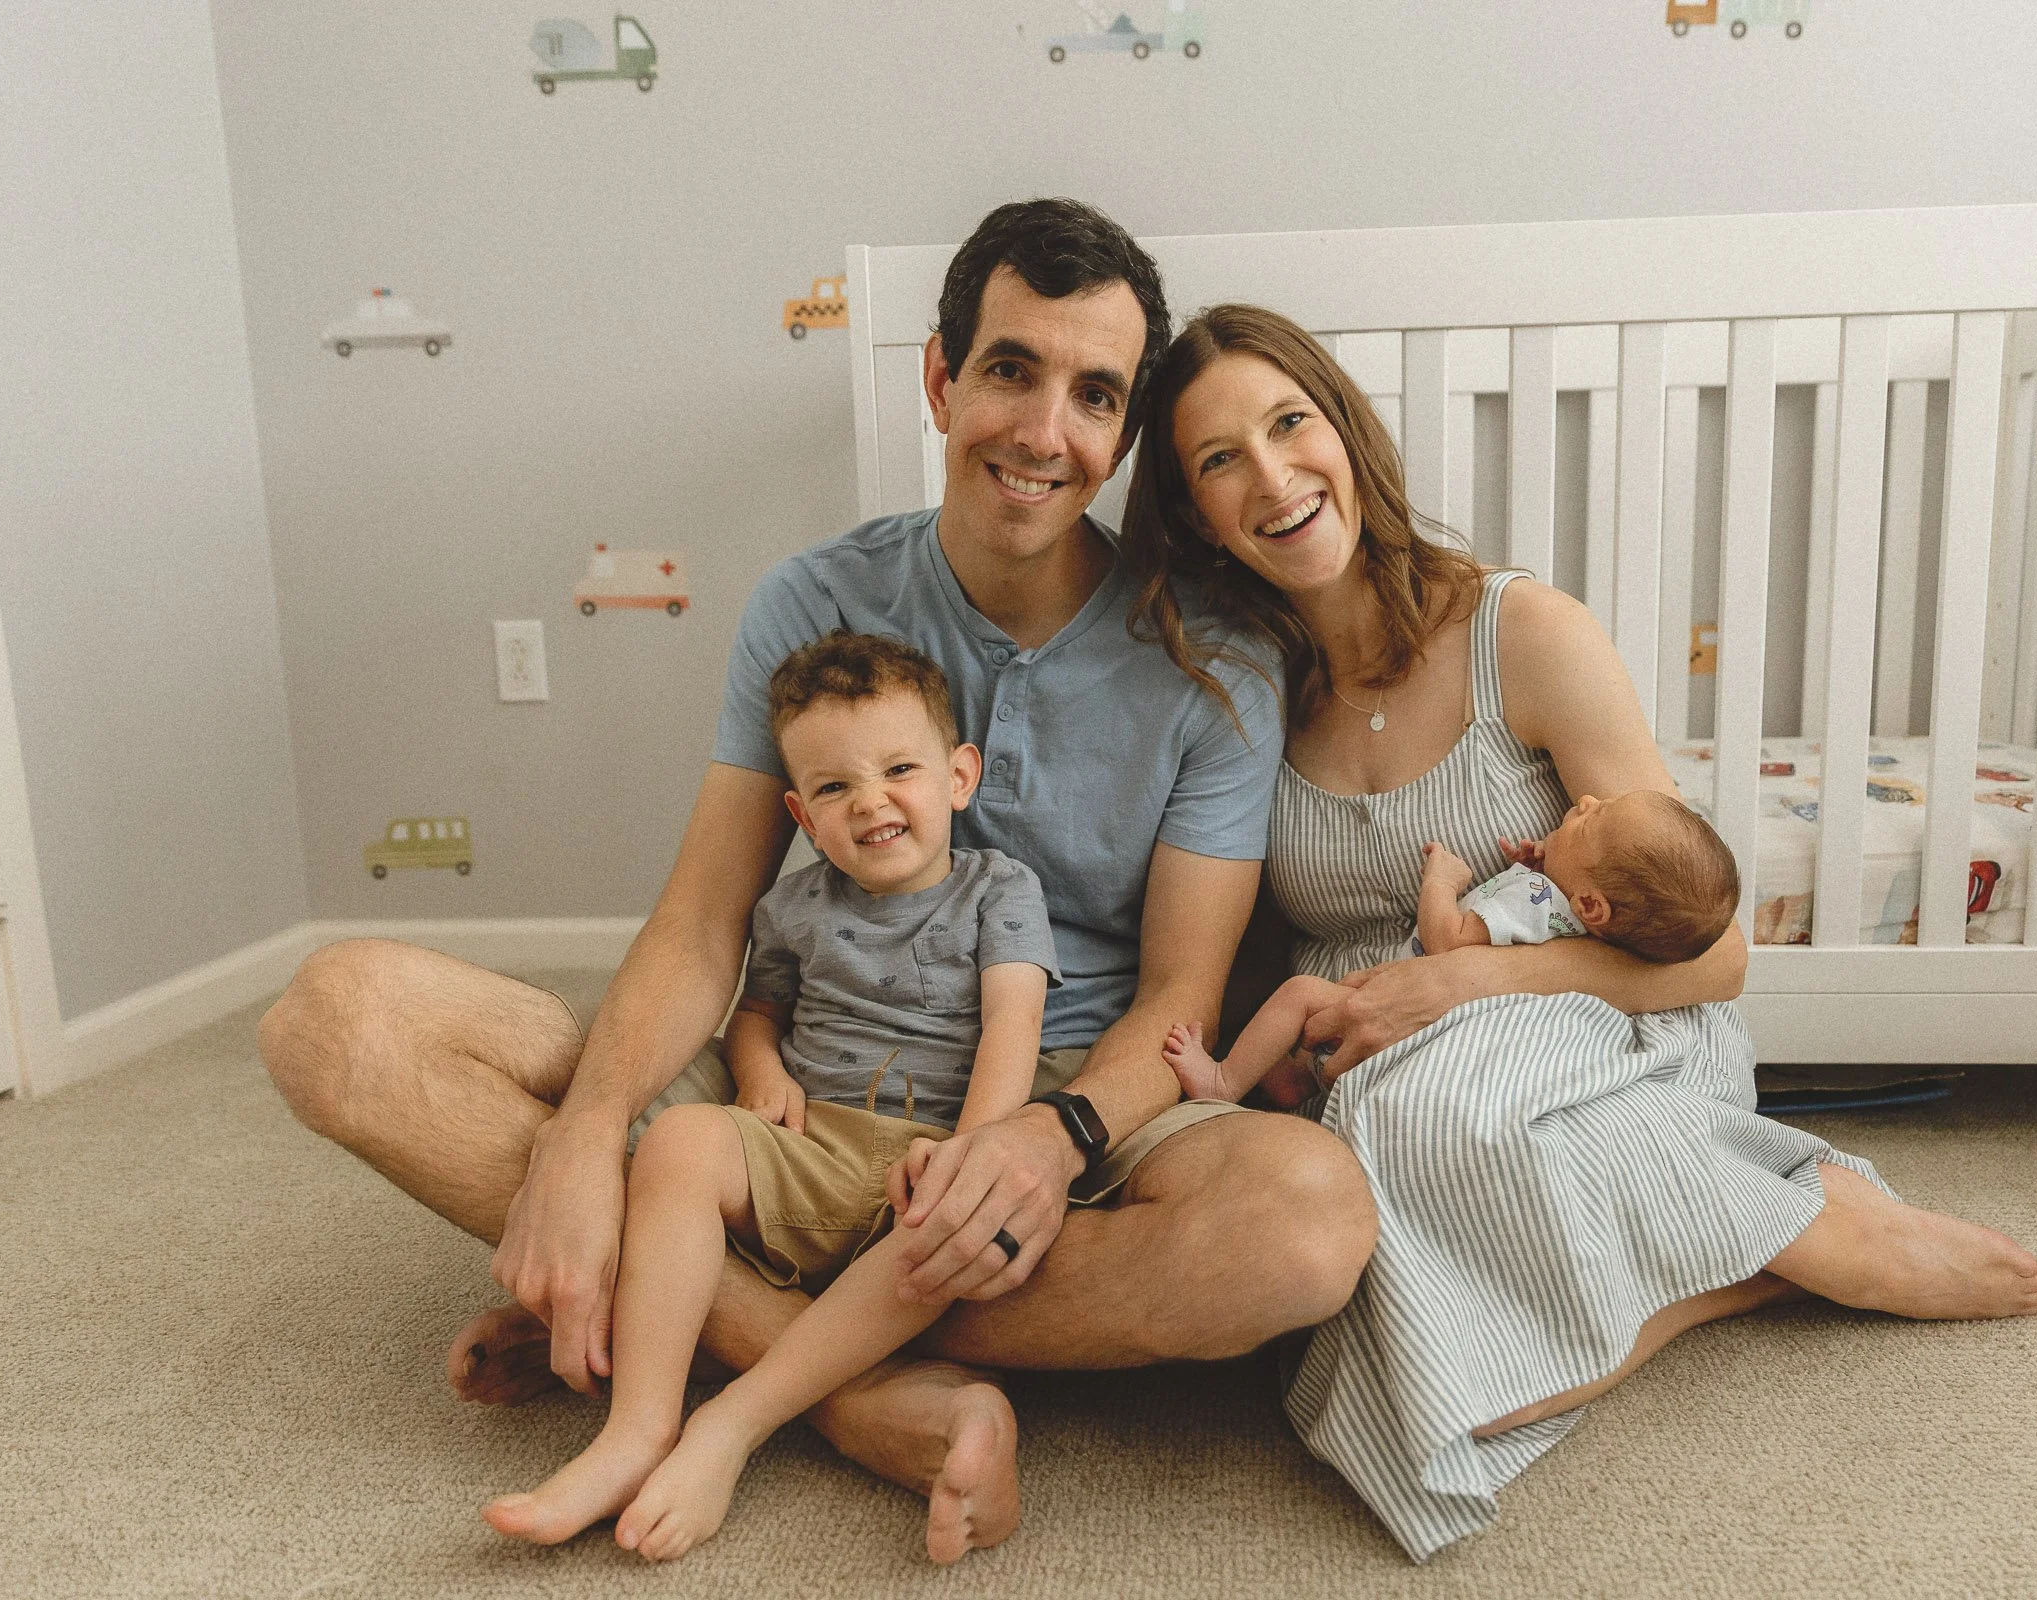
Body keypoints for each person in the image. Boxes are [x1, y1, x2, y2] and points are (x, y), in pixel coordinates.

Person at [254, 201, 1375, 1565]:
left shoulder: (1217, 659)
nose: (1043, 432)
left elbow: (1181, 996)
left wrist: (1044, 1138)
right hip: (811, 1070)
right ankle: (857, 1396)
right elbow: (706, 917)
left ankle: (712, 1321)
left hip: (1061, 1084)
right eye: (1011, 370)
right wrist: (581, 1130)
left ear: (1125, 433)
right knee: (335, 1016)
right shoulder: (813, 598)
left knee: (1307, 1231)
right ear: (940, 377)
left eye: (1094, 395)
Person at [1120, 302, 2037, 1561]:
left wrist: (1454, 990)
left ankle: (1811, 1230)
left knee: (1431, 1131)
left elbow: (1713, 951)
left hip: (1585, 1018)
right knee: (1326, 1252)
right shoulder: (1236, 690)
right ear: (1192, 512)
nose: (1276, 478)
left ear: (1343, 429)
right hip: (1364, 1050)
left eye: (1290, 424)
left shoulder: (1523, 633)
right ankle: (1751, 1256)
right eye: (1220, 459)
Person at [486, 632, 1061, 1560]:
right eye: (834, 788)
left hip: (930, 1151)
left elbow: (1014, 1028)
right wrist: (760, 1073)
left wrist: (976, 1147)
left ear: (959, 776)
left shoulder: (1001, 891)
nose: (870, 800)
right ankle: (639, 1427)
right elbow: (756, 1013)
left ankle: (732, 1427)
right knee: (676, 1142)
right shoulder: (794, 907)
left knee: (946, 1217)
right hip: (815, 1140)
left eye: (899, 769)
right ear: (800, 811)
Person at [1164, 787, 1738, 1107]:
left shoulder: (1539, 897)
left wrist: (1441, 882)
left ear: (1591, 904)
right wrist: (1548, 862)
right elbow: (1539, 919)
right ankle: (1294, 1082)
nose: (1586, 800)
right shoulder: (1581, 922)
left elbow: (1448, 941)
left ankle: (1221, 1084)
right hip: (1469, 1029)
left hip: (1425, 1011)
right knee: (1312, 1027)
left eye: (1594, 820)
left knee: (1301, 995)